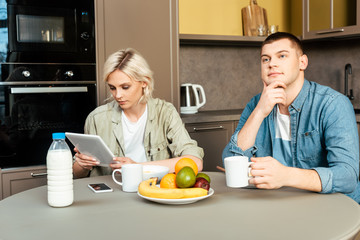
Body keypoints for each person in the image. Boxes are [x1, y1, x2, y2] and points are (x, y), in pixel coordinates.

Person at [222, 32, 360, 203]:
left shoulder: (333, 104)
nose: (272, 63)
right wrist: (259, 112)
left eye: (282, 56)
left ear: (302, 62)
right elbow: (231, 163)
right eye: (266, 59)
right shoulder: (256, 104)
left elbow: (347, 176)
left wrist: (285, 175)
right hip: (279, 204)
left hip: (332, 206)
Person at [73, 48, 204, 178]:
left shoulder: (165, 113)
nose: (118, 95)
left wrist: (137, 167)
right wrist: (82, 164)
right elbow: (76, 175)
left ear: (144, 83)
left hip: (154, 189)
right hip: (111, 194)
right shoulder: (96, 118)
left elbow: (195, 162)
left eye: (125, 87)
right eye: (112, 88)